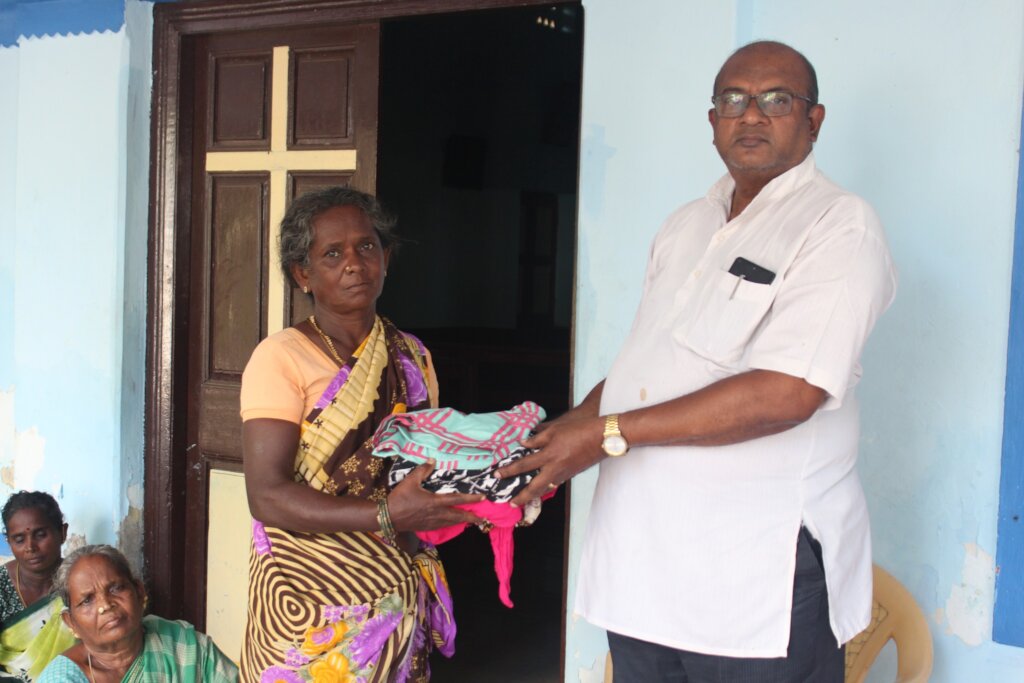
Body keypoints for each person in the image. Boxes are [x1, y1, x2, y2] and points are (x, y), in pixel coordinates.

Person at [498, 41, 897, 682]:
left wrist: (604, 435)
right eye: (734, 100)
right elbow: (642, 369)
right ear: (713, 120)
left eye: (776, 100)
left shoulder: (839, 225)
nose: (752, 114)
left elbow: (788, 393)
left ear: (814, 120)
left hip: (756, 578)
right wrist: (558, 439)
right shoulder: (686, 224)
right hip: (641, 568)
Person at [238, 186, 484, 682]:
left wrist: (489, 493)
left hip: (393, 584)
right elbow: (267, 495)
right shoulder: (281, 357)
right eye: (332, 253)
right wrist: (386, 514)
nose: (354, 263)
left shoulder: (411, 356)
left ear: (385, 258)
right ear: (302, 274)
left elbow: (426, 466)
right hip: (305, 597)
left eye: (366, 246)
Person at [36, 544, 237, 682]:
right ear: (70, 622)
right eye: (87, 600)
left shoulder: (185, 647)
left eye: (115, 588)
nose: (105, 605)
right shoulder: (61, 678)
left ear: (139, 592)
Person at [0, 491, 75, 681]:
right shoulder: (2, 585)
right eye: (19, 539)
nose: (30, 547)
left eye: (40, 535)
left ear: (63, 532)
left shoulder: (80, 581)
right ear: (9, 542)